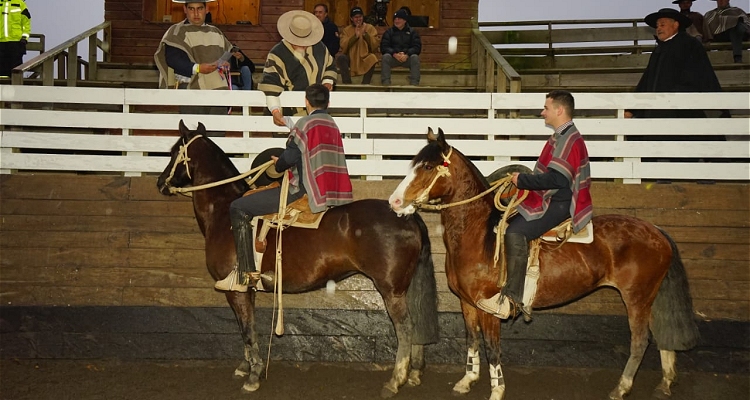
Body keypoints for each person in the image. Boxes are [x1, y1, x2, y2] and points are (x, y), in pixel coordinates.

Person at [215, 84, 353, 292]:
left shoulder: (305, 123)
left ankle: (244, 274)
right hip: (333, 192)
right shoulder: (332, 124)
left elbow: (290, 157)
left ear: (306, 102)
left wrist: (278, 163)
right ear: (328, 103)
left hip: (304, 191)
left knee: (238, 207)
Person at [477, 90, 593, 319]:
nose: (543, 112)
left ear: (559, 110)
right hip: (551, 197)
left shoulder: (569, 139)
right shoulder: (563, 136)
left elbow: (558, 179)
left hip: (559, 202)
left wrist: (523, 180)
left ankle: (511, 299)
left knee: (515, 232)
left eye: (546, 108)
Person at [625, 8, 723, 120]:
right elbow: (647, 81)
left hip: (681, 110)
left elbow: (697, 76)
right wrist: (632, 108)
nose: (658, 29)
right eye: (657, 26)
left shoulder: (689, 44)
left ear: (675, 25)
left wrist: (671, 96)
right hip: (657, 110)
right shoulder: (659, 49)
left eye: (662, 25)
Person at [154, 0, 233, 124]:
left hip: (217, 88)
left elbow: (228, 54)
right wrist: (197, 68)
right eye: (191, 9)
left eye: (200, 9)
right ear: (184, 10)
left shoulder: (216, 32)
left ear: (206, 9)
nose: (196, 13)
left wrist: (225, 62)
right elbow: (173, 60)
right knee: (194, 130)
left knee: (217, 130)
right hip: (190, 89)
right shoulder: (176, 32)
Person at [258, 10, 337, 127]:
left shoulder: (320, 47)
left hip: (317, 113)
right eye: (298, 41)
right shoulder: (277, 54)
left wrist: (327, 81)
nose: (303, 45)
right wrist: (275, 112)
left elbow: (330, 65)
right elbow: (271, 88)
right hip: (288, 114)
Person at [337, 6, 379, 84]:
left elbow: (375, 44)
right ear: (351, 19)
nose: (358, 19)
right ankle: (347, 83)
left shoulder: (370, 28)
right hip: (351, 57)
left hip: (365, 56)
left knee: (372, 58)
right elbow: (343, 44)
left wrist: (365, 34)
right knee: (341, 58)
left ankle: (365, 83)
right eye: (355, 17)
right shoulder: (347, 30)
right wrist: (355, 37)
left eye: (360, 17)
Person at [380, 9, 422, 86]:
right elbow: (384, 47)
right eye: (395, 19)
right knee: (385, 57)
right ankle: (386, 84)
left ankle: (414, 84)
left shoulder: (412, 32)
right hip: (394, 58)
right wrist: (394, 54)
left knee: (415, 57)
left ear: (405, 20)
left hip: (407, 58)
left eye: (399, 19)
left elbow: (417, 47)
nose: (396, 21)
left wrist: (407, 54)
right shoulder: (389, 32)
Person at [0, 0, 31, 78]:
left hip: (16, 42)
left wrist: (24, 37)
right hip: (1, 41)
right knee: (1, 70)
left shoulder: (20, 4)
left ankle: (16, 87)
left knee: (16, 69)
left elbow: (26, 23)